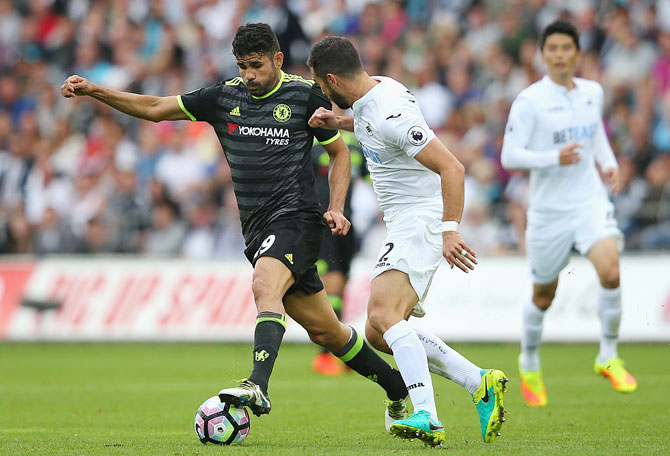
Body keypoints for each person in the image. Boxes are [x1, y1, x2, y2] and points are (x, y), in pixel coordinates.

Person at [60, 22, 410, 426]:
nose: (249, 75)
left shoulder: (305, 94)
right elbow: (156, 109)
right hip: (257, 229)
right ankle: (399, 389)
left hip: (297, 218)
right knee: (327, 332)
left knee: (264, 285)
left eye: (257, 65)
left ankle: (257, 384)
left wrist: (336, 206)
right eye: (243, 65)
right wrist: (95, 91)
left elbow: (340, 154)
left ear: (278, 60)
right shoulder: (223, 97)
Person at [307, 36, 508, 448]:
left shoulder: (390, 113)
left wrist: (449, 228)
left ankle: (427, 416)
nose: (322, 95)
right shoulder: (373, 90)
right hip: (404, 223)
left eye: (321, 87)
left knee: (382, 312)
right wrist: (339, 123)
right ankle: (479, 382)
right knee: (379, 332)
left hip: (421, 220)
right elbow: (369, 124)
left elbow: (453, 168)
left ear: (331, 79)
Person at [500, 20, 637, 408]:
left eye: (566, 48)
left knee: (611, 271)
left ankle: (608, 355)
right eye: (552, 49)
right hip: (548, 212)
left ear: (578, 53)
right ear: (542, 55)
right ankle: (529, 362)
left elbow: (596, 137)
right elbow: (509, 156)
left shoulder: (593, 92)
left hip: (589, 202)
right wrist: (552, 158)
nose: (560, 55)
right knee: (544, 294)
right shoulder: (529, 101)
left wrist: (608, 164)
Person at [310, 130, 367, 376]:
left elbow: (370, 176)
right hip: (320, 219)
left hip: (346, 220)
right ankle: (325, 355)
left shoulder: (354, 141)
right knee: (331, 283)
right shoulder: (308, 138)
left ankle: (340, 350)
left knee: (341, 285)